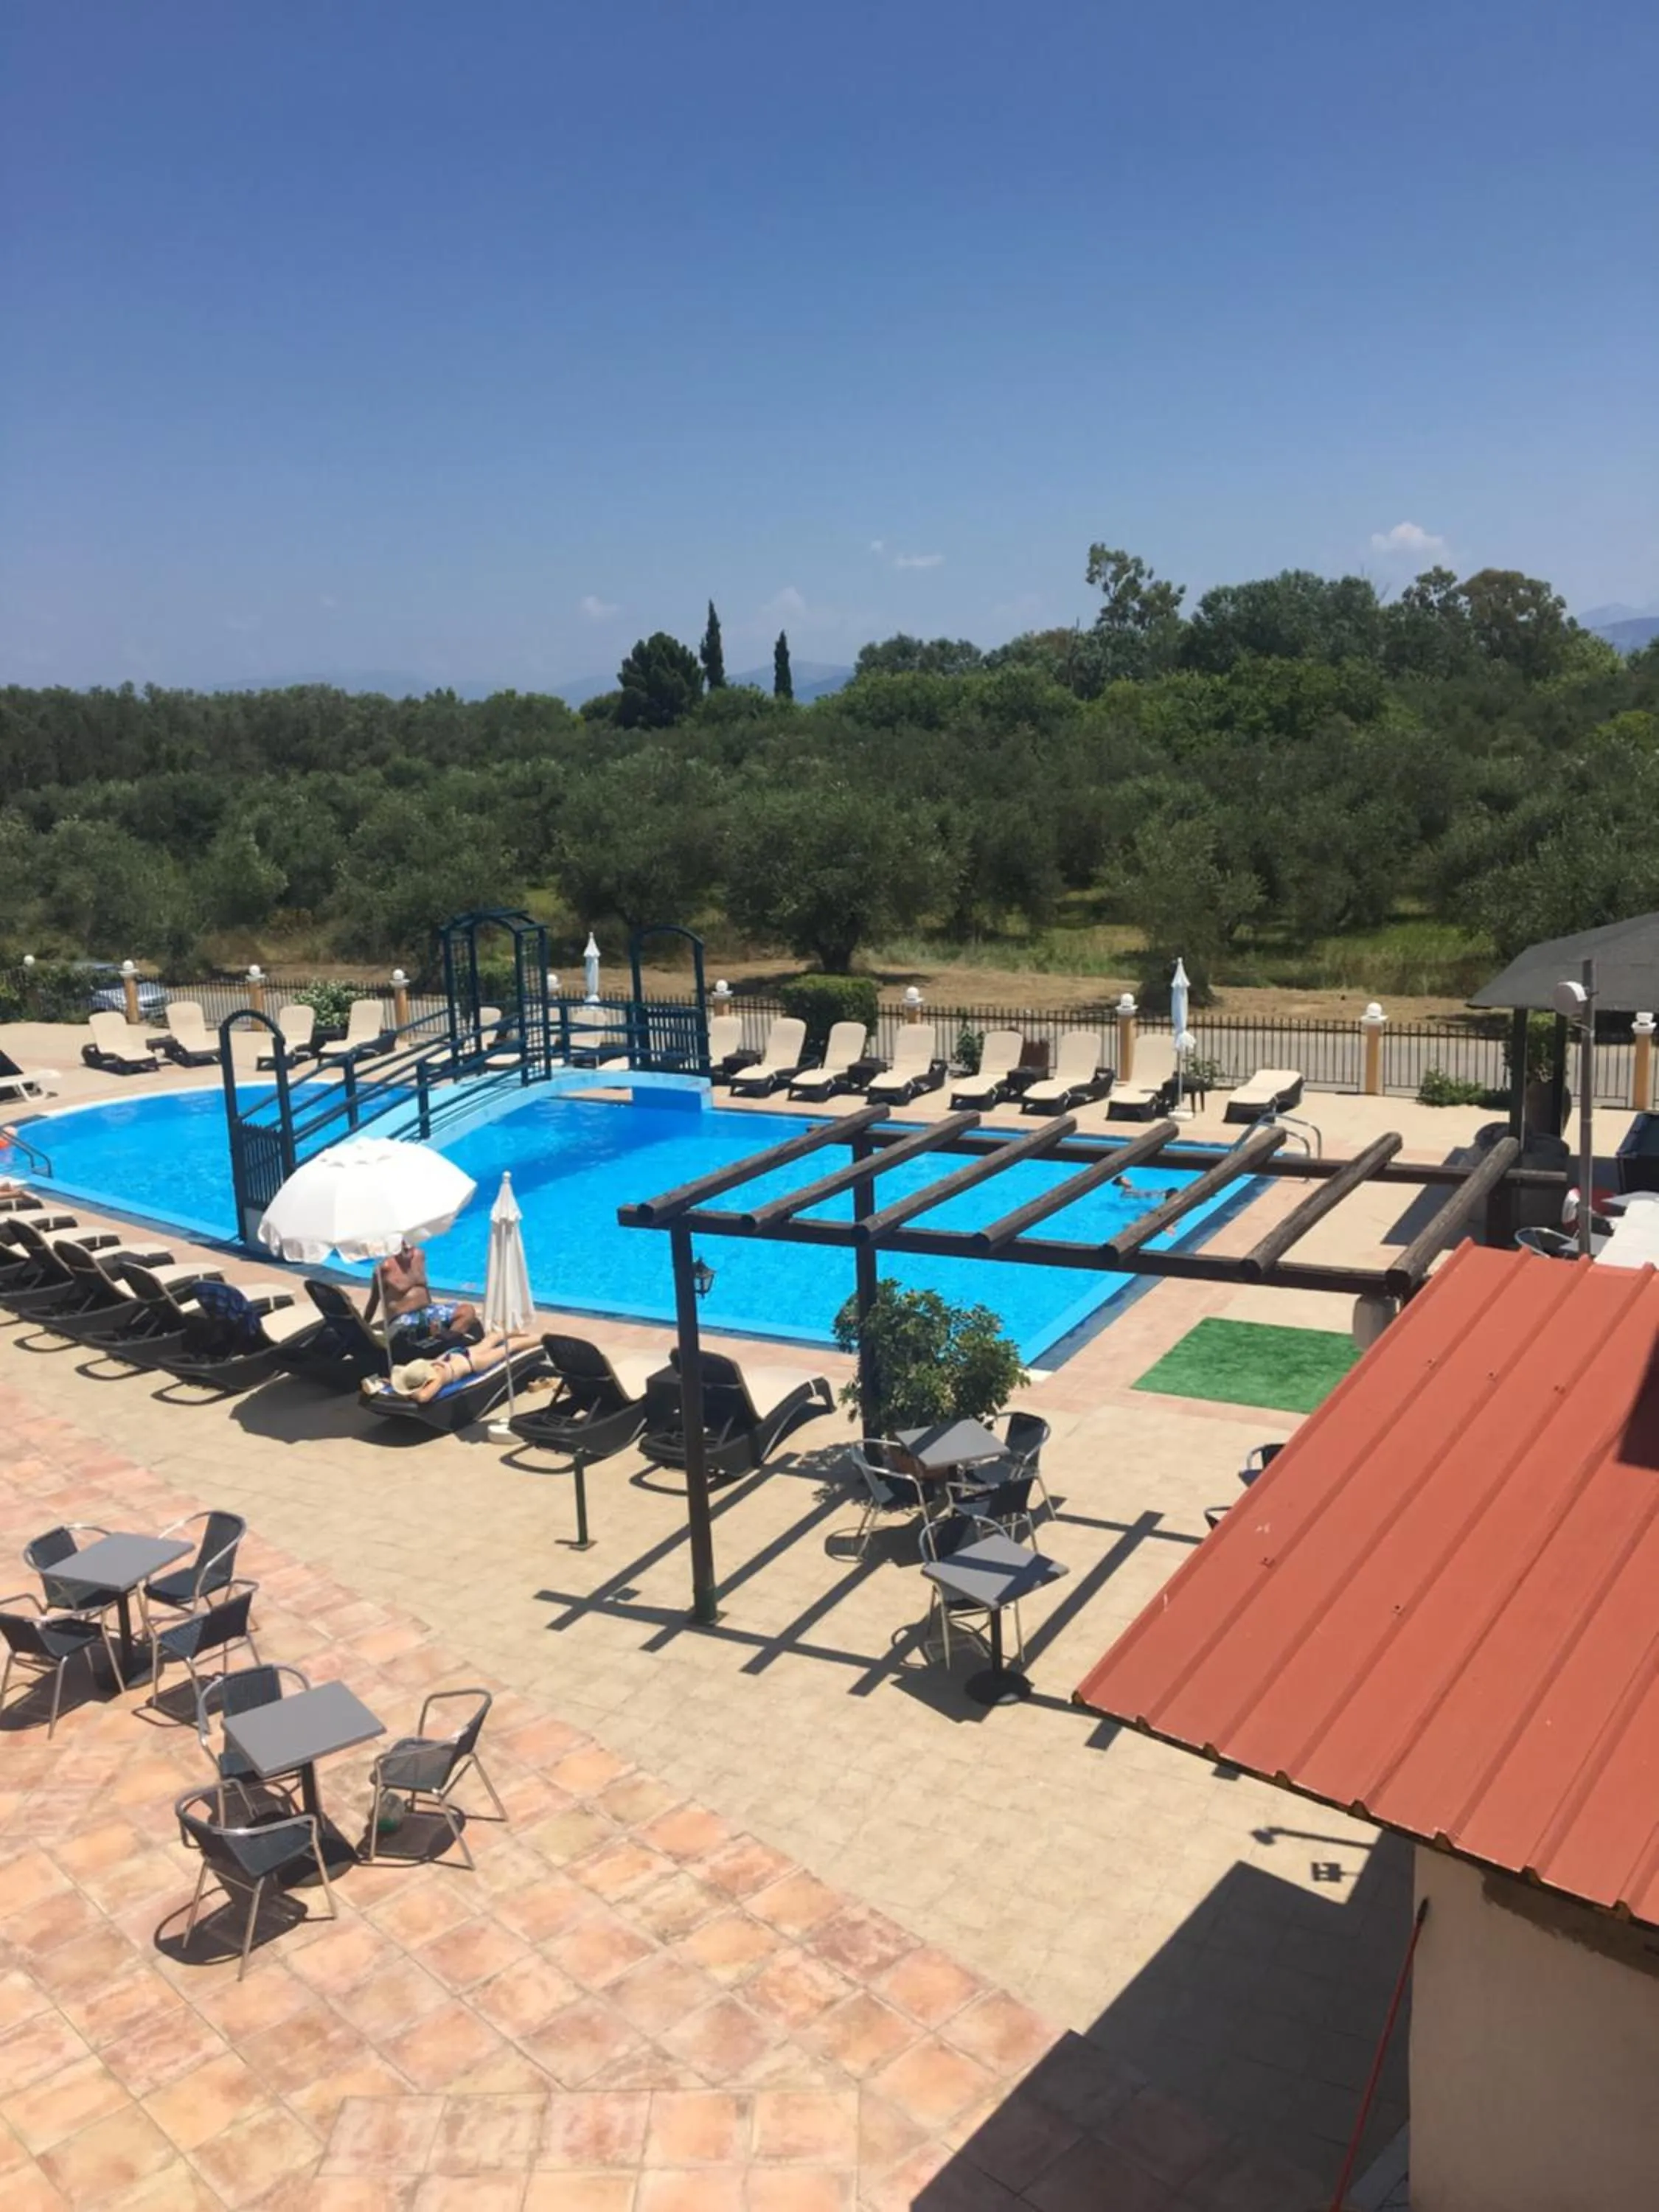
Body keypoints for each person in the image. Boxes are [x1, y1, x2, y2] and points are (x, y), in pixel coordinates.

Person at [364, 1239, 479, 1357]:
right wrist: (364, 1328)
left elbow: (423, 1289)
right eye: (402, 1246)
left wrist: (433, 1312)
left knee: (467, 1311)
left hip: (428, 1311)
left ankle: (446, 1345)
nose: (407, 1248)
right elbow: (374, 1301)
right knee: (412, 1334)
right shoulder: (384, 1269)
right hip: (404, 1320)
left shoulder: (419, 1256)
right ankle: (445, 1344)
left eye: (408, 1244)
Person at [373, 1327, 541, 1404]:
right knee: (492, 1340)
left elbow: (423, 1398)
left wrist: (406, 1393)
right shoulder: (425, 1367)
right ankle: (518, 1331)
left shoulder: (436, 1378)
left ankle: (542, 1339)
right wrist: (393, 1384)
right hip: (460, 1355)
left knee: (511, 1346)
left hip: (474, 1362)